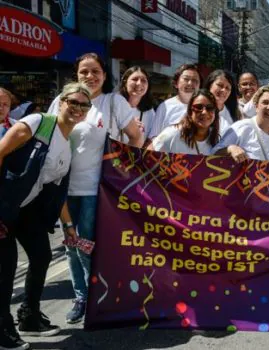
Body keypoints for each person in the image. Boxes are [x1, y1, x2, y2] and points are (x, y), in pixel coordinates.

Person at [47, 53, 143, 325]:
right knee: (70, 243)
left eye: (95, 71)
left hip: (95, 187)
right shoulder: (62, 100)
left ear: (104, 74)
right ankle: (82, 297)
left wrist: (128, 171)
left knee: (87, 244)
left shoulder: (113, 102)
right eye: (84, 72)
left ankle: (98, 297)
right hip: (62, 186)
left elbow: (136, 136)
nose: (90, 76)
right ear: (76, 75)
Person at [0, 82, 91, 350]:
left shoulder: (67, 142)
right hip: (4, 204)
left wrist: (69, 225)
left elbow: (57, 189)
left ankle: (28, 316)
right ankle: (2, 328)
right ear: (61, 102)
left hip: (26, 210)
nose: (76, 108)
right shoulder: (38, 123)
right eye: (72, 102)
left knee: (41, 256)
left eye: (83, 105)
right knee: (6, 267)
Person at [212, 86, 269, 163]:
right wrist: (230, 149)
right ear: (256, 106)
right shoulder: (242, 127)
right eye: (265, 102)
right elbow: (213, 154)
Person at [151, 89, 220, 156]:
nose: (204, 112)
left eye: (210, 108)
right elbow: (148, 156)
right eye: (198, 107)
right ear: (190, 111)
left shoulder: (216, 141)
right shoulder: (172, 134)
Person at [150, 63, 202, 139]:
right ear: (176, 83)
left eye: (195, 80)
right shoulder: (165, 106)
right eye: (186, 79)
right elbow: (153, 137)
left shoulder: (205, 108)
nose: (190, 83)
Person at [118, 66, 155, 142]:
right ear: (125, 82)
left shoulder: (149, 112)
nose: (139, 83)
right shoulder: (114, 104)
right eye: (134, 79)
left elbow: (151, 139)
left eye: (143, 80)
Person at [203, 69, 240, 134]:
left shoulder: (234, 112)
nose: (224, 90)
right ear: (210, 85)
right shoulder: (198, 109)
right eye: (220, 85)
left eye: (227, 88)